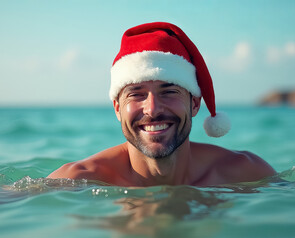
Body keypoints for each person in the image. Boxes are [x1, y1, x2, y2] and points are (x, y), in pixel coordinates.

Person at [48, 22, 275, 186]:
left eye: (169, 92)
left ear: (195, 104)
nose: (153, 109)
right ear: (117, 108)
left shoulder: (245, 173)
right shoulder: (77, 182)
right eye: (136, 94)